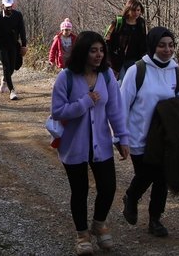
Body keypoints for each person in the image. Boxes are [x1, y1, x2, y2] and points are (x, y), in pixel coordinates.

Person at [51, 31, 129, 254]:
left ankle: (99, 223)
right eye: (93, 50)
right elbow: (57, 111)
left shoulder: (107, 76)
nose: (99, 55)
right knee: (80, 191)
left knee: (108, 187)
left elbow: (115, 110)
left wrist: (122, 137)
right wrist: (84, 103)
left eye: (101, 50)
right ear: (82, 52)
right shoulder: (66, 77)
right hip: (73, 145)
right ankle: (82, 235)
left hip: (101, 143)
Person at [120, 26, 179, 238]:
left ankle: (155, 219)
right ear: (152, 46)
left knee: (162, 178)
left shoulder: (176, 72)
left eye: (171, 45)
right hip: (139, 135)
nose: (167, 50)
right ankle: (132, 197)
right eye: (162, 45)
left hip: (164, 137)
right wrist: (120, 137)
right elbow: (123, 104)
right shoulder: (137, 70)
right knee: (145, 175)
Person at [0, 0, 27, 101]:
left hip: (13, 44)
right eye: (7, 7)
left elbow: (22, 30)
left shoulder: (18, 15)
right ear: (2, 6)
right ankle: (12, 90)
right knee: (6, 65)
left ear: (13, 5)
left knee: (12, 66)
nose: (9, 9)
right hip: (1, 44)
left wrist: (24, 45)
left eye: (10, 6)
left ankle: (5, 79)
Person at [106, 0, 147, 80]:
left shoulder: (141, 23)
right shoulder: (119, 22)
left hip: (136, 60)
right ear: (128, 10)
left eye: (138, 10)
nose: (136, 13)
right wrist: (110, 61)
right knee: (122, 82)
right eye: (134, 10)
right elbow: (108, 41)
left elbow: (144, 41)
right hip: (119, 61)